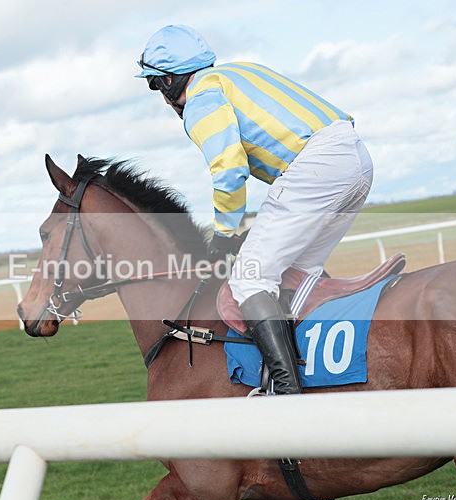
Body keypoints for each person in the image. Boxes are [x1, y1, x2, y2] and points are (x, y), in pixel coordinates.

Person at [136, 25, 373, 395]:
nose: (161, 98)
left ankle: (286, 392)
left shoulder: (200, 99)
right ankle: (316, 374)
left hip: (318, 166)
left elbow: (229, 170)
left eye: (155, 85)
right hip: (355, 158)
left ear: (168, 80)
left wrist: (223, 236)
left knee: (249, 280)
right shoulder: (239, 71)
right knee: (295, 276)